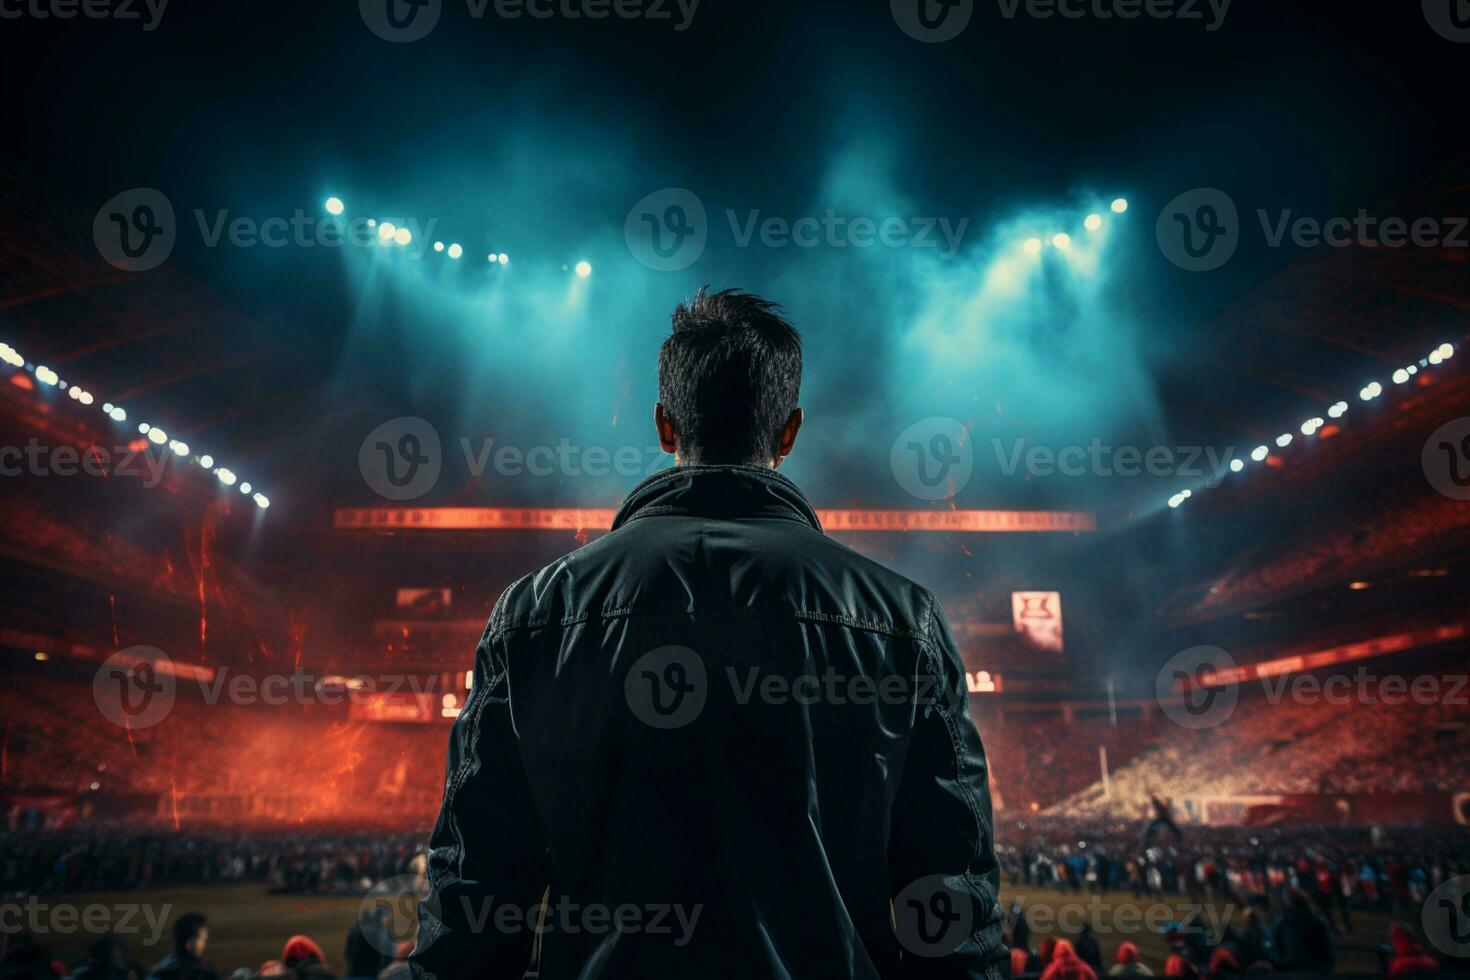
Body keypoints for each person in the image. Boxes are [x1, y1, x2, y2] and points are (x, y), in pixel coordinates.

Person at [410, 288, 1005, 979]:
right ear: (790, 431)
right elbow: (952, 908)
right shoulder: (902, 620)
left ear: (665, 427)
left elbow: (473, 898)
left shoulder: (538, 613)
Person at [1270, 887, 1336, 975]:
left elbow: (1276, 947)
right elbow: (1328, 946)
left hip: (1290, 968)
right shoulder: (1316, 920)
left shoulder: (1282, 922)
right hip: (1315, 968)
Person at [147, 915, 217, 980]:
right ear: (189, 944)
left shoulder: (158, 971)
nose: (204, 944)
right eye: (202, 939)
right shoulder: (203, 974)